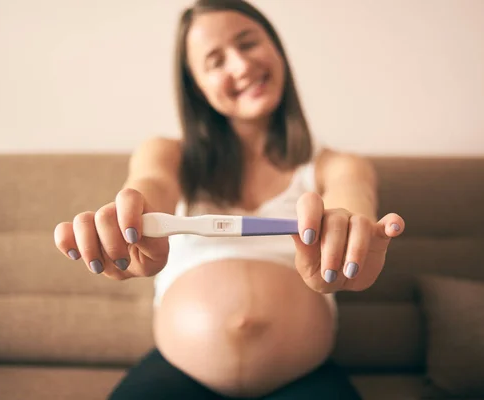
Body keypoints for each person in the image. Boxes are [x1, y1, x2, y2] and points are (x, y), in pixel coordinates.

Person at [53, 0, 405, 398]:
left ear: (276, 49)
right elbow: (149, 187)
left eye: (248, 43)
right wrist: (130, 224)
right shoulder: (168, 154)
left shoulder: (335, 164)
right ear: (197, 87)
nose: (240, 66)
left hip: (304, 376)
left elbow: (351, 200)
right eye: (216, 61)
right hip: (176, 373)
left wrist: (351, 234)